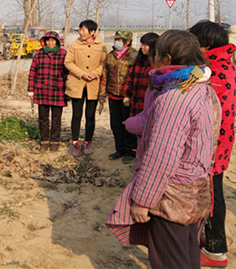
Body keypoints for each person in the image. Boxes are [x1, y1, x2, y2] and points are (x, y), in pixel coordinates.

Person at [106, 30, 217, 269]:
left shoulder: (175, 97)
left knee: (170, 260)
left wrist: (142, 200)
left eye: (155, 55)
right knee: (186, 254)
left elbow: (162, 156)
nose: (151, 60)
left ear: (167, 58)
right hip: (194, 189)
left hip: (172, 196)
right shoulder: (201, 86)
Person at [189, 20, 236, 267]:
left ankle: (216, 251)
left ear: (204, 45)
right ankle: (209, 241)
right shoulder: (225, 63)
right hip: (220, 141)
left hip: (211, 144)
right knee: (212, 189)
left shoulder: (210, 71)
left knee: (212, 195)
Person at [64, 20, 107, 157]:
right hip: (77, 84)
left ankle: (88, 141)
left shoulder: (101, 46)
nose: (80, 32)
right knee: (76, 115)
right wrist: (82, 74)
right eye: (80, 30)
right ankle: (75, 142)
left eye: (83, 30)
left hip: (93, 85)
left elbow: (104, 63)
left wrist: (95, 73)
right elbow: (68, 62)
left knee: (90, 115)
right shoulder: (75, 44)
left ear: (92, 32)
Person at [99, 31, 138, 164]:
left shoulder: (134, 56)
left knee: (129, 125)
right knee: (116, 125)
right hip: (112, 95)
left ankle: (130, 151)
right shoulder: (111, 56)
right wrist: (102, 94)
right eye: (116, 39)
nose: (117, 42)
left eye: (120, 40)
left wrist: (131, 94)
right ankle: (119, 149)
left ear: (127, 41)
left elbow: (135, 77)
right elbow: (105, 75)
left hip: (127, 97)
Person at [27, 31, 68, 152]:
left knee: (56, 118)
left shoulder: (63, 54)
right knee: (43, 118)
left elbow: (68, 72)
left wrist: (68, 89)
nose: (50, 43)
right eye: (48, 41)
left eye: (53, 41)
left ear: (57, 42)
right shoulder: (39, 54)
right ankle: (44, 141)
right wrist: (31, 89)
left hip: (58, 90)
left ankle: (55, 141)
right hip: (42, 90)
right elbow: (32, 72)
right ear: (44, 42)